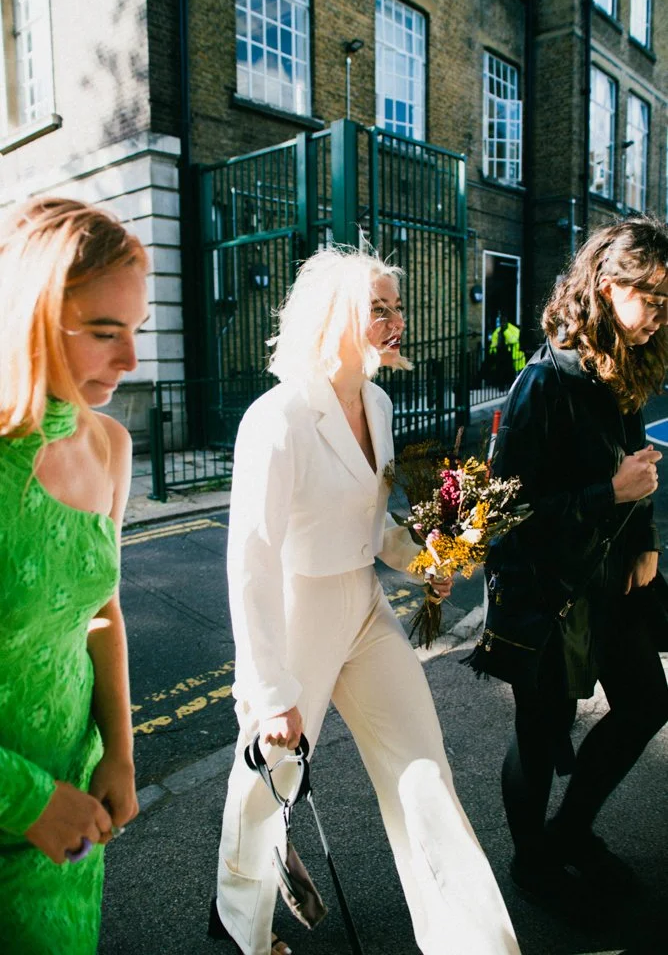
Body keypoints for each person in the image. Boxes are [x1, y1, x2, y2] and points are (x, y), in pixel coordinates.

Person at [210, 246, 521, 955]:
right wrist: (266, 690)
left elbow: (373, 528)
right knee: (267, 784)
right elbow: (251, 559)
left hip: (363, 611)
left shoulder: (378, 402)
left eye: (396, 306)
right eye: (378, 307)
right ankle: (245, 933)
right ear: (332, 317)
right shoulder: (277, 417)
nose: (396, 320)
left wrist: (427, 563)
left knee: (423, 771)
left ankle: (474, 942)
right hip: (296, 621)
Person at [486, 216, 668, 905]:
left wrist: (644, 534)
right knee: (540, 733)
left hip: (608, 577)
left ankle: (570, 832)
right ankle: (532, 863)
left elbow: (637, 460)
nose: (658, 315)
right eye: (649, 298)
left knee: (648, 702)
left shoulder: (621, 364)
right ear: (605, 285)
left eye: (666, 303)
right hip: (545, 587)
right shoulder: (544, 382)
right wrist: (607, 494)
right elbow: (506, 515)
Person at [0, 197, 148, 952]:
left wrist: (119, 751)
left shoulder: (112, 448)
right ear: (33, 316)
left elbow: (103, 613)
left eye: (136, 333)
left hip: (71, 814)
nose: (130, 362)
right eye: (102, 332)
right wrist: (24, 799)